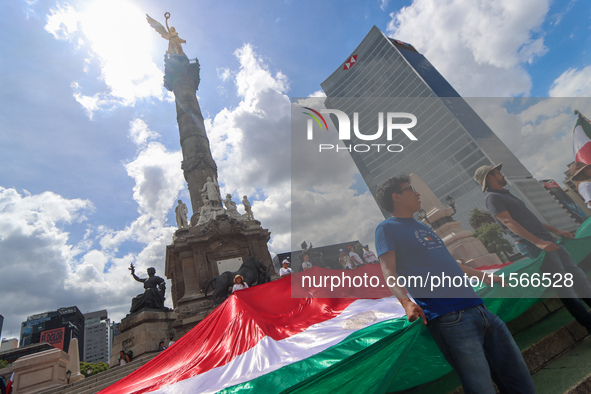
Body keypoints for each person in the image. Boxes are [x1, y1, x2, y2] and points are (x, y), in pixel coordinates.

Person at [375, 175, 533, 394]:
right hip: (449, 317)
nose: (417, 193)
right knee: (480, 387)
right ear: (396, 197)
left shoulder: (422, 226)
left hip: (480, 309)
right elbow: (388, 271)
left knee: (518, 376)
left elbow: (450, 262)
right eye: (410, 189)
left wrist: (485, 276)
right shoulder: (386, 228)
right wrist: (406, 303)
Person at [474, 163, 591, 332]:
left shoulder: (505, 194)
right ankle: (588, 324)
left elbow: (529, 219)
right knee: (564, 285)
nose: (501, 174)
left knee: (577, 275)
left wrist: (557, 231)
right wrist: (538, 242)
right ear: (489, 177)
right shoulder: (492, 198)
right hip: (533, 245)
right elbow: (507, 222)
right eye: (497, 172)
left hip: (546, 240)